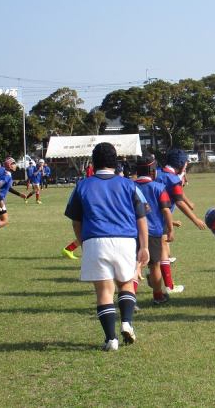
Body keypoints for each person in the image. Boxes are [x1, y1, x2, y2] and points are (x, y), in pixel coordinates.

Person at [64, 142, 149, 351]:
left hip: (95, 240)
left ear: (93, 162)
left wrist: (84, 243)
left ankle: (111, 339)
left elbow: (76, 221)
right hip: (125, 240)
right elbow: (141, 218)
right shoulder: (129, 185)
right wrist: (144, 247)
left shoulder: (82, 185)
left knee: (104, 292)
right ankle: (127, 322)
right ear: (115, 161)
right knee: (126, 284)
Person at [155, 149, 207, 292]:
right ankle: (168, 286)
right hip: (158, 220)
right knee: (162, 252)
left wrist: (188, 202)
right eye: (186, 163)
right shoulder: (173, 179)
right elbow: (178, 201)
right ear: (181, 164)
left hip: (150, 217)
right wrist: (195, 219)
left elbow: (176, 194)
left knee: (162, 251)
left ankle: (154, 275)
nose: (186, 165)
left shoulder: (158, 173)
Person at [134, 155, 175, 305]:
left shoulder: (129, 186)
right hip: (153, 233)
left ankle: (129, 298)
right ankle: (158, 296)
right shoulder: (159, 188)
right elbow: (166, 210)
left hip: (132, 232)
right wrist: (170, 229)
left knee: (134, 265)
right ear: (152, 171)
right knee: (154, 265)